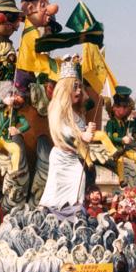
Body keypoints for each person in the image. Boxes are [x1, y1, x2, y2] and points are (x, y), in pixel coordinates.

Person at [39, 61, 96, 217]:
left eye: (79, 87)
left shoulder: (77, 113)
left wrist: (88, 131)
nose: (78, 90)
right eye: (74, 87)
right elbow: (63, 130)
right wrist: (82, 135)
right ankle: (51, 209)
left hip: (72, 157)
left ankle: (73, 209)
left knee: (80, 177)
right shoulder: (57, 108)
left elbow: (82, 134)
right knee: (55, 184)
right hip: (61, 155)